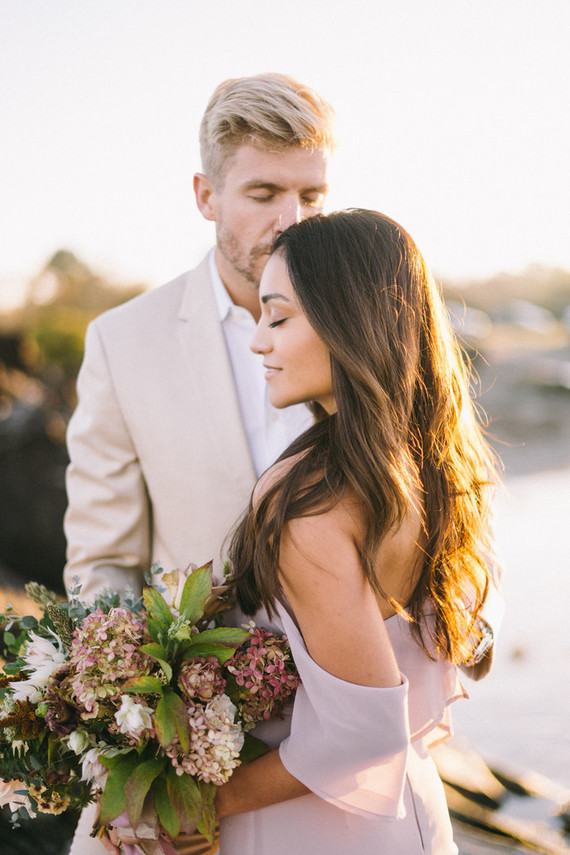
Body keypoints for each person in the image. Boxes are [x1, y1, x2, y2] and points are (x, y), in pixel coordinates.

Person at [63, 73, 336, 855]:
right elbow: (104, 563)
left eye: (313, 196)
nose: (292, 222)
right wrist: (145, 734)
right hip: (185, 758)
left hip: (346, 751)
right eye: (263, 192)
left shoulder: (376, 331)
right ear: (205, 194)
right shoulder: (124, 341)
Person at [218, 209, 501, 854]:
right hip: (410, 817)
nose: (259, 341)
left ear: (348, 322)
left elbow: (362, 733)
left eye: (279, 317)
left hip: (309, 830)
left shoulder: (305, 504)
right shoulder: (431, 468)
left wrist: (213, 801)